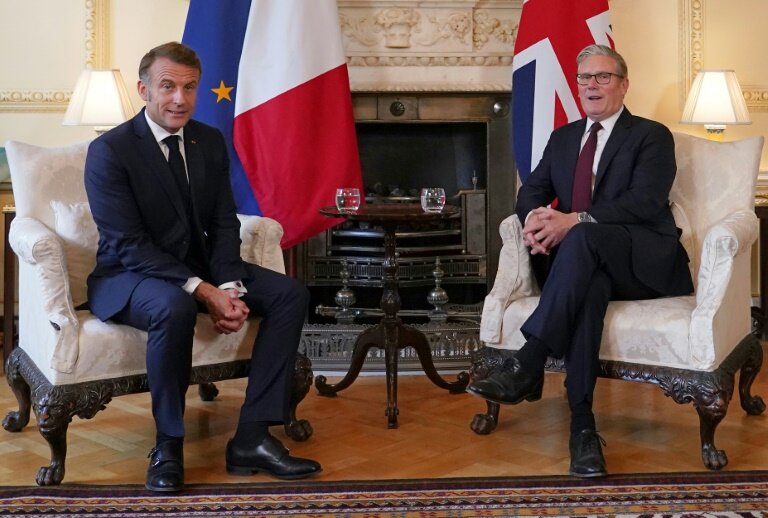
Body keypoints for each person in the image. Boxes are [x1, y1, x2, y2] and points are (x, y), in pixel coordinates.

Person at [84, 41, 321, 492]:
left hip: (201, 268)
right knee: (173, 305)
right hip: (128, 276)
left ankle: (253, 436)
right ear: (144, 89)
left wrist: (228, 283)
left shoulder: (208, 139)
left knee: (291, 294)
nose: (180, 98)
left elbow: (223, 222)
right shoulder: (110, 151)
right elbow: (128, 245)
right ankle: (168, 445)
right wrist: (204, 291)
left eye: (189, 87)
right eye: (168, 86)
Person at [467, 44, 693, 478]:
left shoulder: (651, 135)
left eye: (603, 77)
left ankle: (530, 361)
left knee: (585, 237)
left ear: (624, 85)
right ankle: (583, 429)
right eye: (584, 78)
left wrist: (574, 221)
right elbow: (531, 191)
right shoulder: (564, 137)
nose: (592, 85)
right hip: (582, 267)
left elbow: (645, 203)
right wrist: (535, 222)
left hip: (640, 261)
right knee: (587, 289)